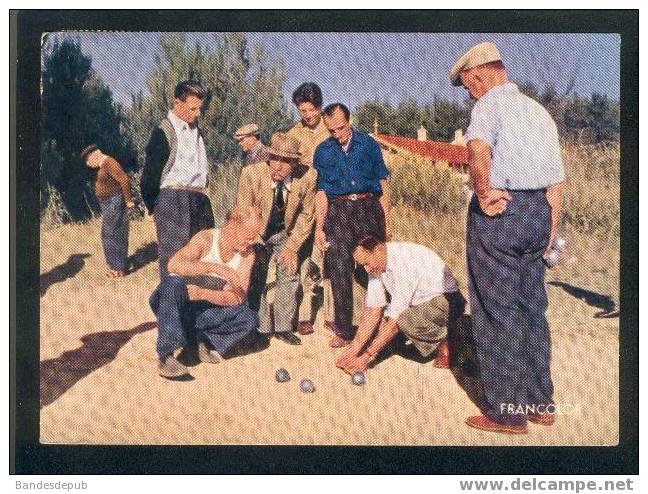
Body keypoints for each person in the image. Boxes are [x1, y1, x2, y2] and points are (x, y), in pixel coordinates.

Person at [450, 42, 565, 434]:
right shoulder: (539, 112)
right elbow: (556, 183)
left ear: (478, 75)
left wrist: (483, 194)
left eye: (468, 86)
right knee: (531, 308)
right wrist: (549, 230)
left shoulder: (487, 107)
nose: (470, 94)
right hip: (538, 214)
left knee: (495, 309)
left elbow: (477, 151)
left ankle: (506, 413)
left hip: (501, 214)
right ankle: (540, 403)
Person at [149, 205, 264, 380]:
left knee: (249, 317)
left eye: (253, 238)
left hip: (204, 308)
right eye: (248, 237)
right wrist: (216, 269)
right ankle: (166, 356)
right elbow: (173, 265)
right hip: (177, 305)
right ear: (233, 224)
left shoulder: (248, 254)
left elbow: (238, 297)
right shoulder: (206, 239)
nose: (250, 243)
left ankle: (198, 340)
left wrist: (203, 293)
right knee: (172, 284)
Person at [313, 103, 391, 347]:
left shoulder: (368, 144)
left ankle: (386, 326)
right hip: (338, 211)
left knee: (378, 266)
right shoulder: (323, 151)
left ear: (349, 120)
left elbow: (383, 183)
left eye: (341, 128)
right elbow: (321, 192)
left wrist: (387, 219)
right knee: (338, 266)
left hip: (369, 208)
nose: (337, 134)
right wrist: (319, 227)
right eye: (332, 131)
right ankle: (345, 330)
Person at [336, 236, 466, 374]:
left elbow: (395, 322)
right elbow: (373, 310)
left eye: (366, 263)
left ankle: (449, 339)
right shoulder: (377, 265)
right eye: (363, 265)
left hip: (448, 301)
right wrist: (353, 349)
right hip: (421, 305)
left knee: (404, 321)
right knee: (390, 329)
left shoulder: (404, 261)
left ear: (378, 250)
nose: (366, 270)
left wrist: (366, 357)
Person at [235, 133, 317, 346]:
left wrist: (292, 247)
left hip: (285, 233)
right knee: (256, 275)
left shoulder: (308, 178)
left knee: (290, 273)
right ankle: (261, 328)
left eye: (286, 161)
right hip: (257, 232)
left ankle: (283, 327)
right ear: (268, 157)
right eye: (275, 159)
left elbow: (307, 215)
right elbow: (244, 211)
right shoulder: (251, 174)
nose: (278, 166)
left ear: (296, 163)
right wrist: (251, 243)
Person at [140, 80, 215, 279]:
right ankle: (171, 309)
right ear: (176, 103)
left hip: (199, 200)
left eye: (200, 109)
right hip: (173, 200)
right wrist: (155, 205)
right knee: (176, 264)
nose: (198, 114)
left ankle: (197, 308)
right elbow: (149, 176)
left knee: (203, 260)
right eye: (193, 109)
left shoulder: (197, 131)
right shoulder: (163, 132)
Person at [287, 82, 332, 335]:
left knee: (329, 256)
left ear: (319, 106)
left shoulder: (331, 127)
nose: (307, 115)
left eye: (311, 110)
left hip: (330, 200)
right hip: (304, 203)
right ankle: (304, 314)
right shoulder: (295, 132)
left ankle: (334, 315)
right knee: (304, 257)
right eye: (302, 111)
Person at [81, 144, 136, 278]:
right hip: (108, 202)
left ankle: (118, 268)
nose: (88, 165)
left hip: (114, 201)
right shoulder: (104, 164)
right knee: (110, 233)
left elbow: (124, 180)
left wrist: (128, 200)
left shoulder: (109, 162)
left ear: (95, 155)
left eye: (88, 161)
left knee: (113, 233)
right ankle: (115, 266)